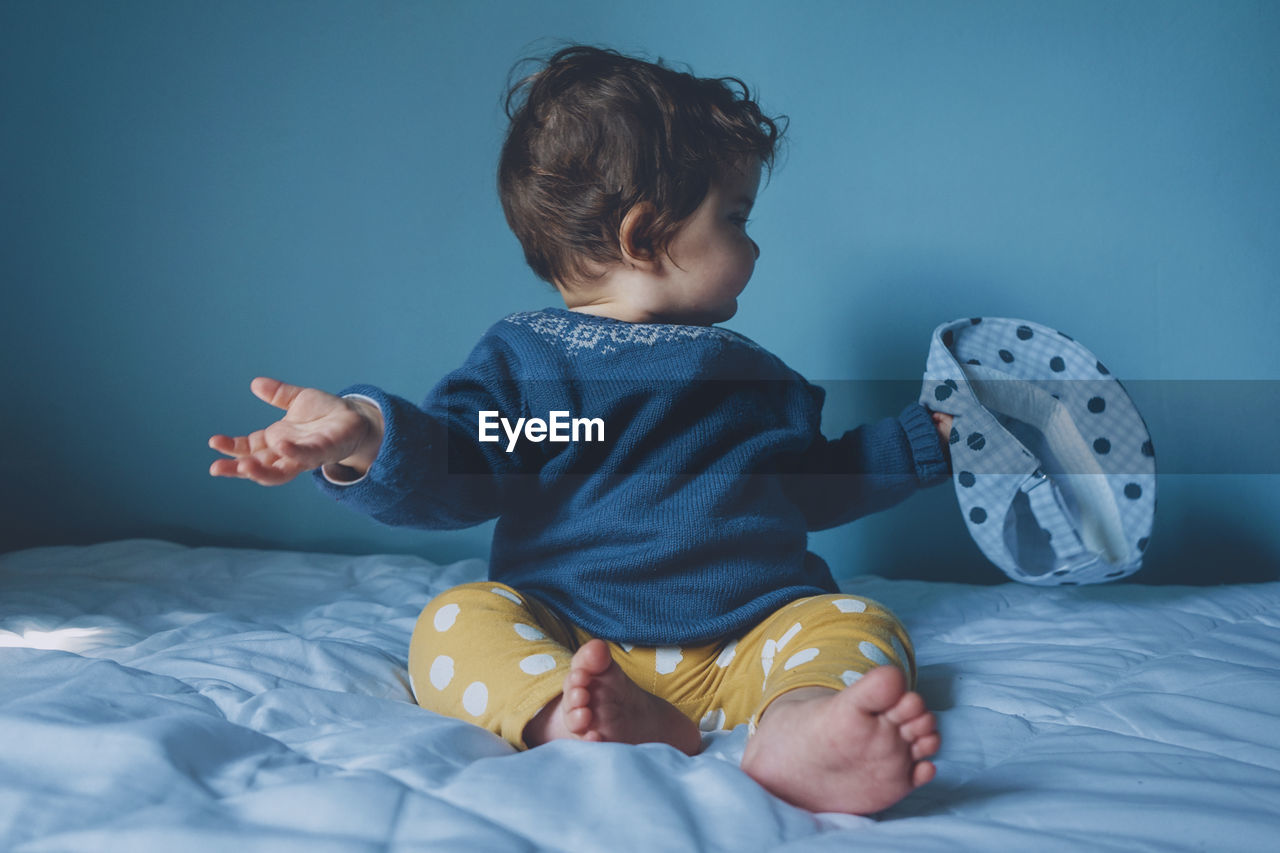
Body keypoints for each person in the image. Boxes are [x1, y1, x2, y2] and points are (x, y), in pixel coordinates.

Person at [210, 45, 949, 816]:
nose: (753, 244)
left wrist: (920, 439)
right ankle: (569, 710)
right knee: (456, 618)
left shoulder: (752, 376)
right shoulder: (536, 366)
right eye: (735, 217)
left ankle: (798, 725)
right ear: (642, 236)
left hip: (749, 635)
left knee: (855, 619)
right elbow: (461, 463)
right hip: (575, 638)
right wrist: (368, 432)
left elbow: (808, 485)